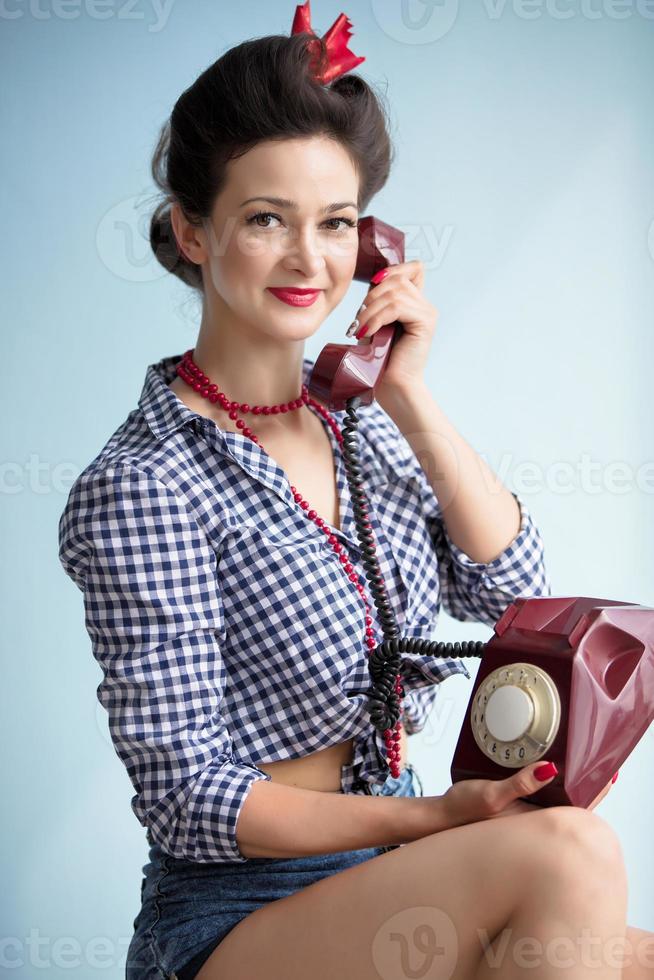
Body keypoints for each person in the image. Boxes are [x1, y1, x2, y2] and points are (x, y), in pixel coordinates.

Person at [58, 7, 651, 980]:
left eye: (334, 223)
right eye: (265, 219)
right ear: (191, 231)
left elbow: (511, 589)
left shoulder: (358, 424)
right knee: (572, 852)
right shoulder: (143, 482)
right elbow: (188, 793)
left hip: (401, 868)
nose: (308, 260)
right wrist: (433, 816)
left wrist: (409, 393)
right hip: (238, 913)